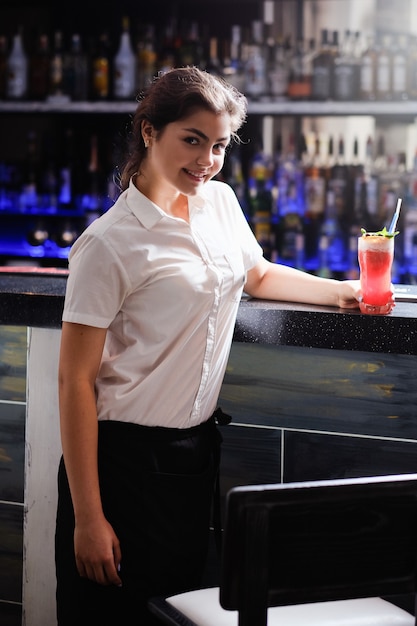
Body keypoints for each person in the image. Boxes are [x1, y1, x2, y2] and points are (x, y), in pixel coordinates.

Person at [55, 66, 367, 626]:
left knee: (175, 608)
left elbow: (259, 276)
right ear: (149, 131)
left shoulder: (219, 202)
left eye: (219, 144)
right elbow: (74, 381)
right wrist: (87, 517)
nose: (207, 159)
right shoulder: (107, 244)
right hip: (120, 463)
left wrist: (345, 292)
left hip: (192, 456)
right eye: (192, 140)